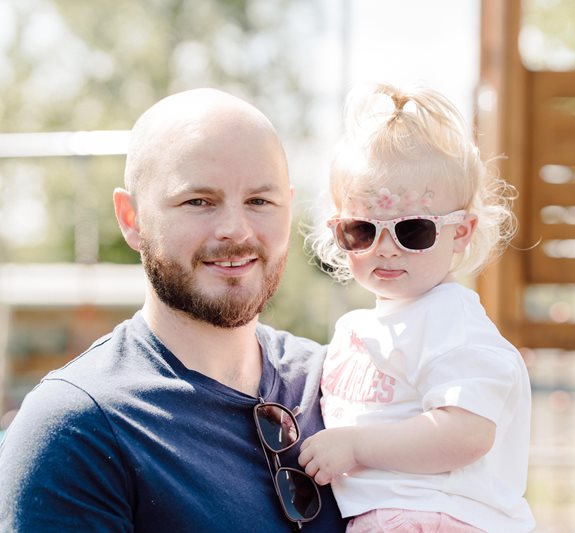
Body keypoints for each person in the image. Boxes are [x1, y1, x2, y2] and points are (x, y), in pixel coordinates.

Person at [0, 88, 346, 532]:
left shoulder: (334, 382)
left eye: (260, 201)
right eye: (198, 201)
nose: (235, 230)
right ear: (131, 218)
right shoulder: (79, 427)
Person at [300, 83, 536, 532]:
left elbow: (467, 433)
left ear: (461, 233)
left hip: (440, 515)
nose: (386, 249)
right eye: (361, 231)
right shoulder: (360, 326)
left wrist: (355, 446)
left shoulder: (451, 319)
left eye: (413, 231)